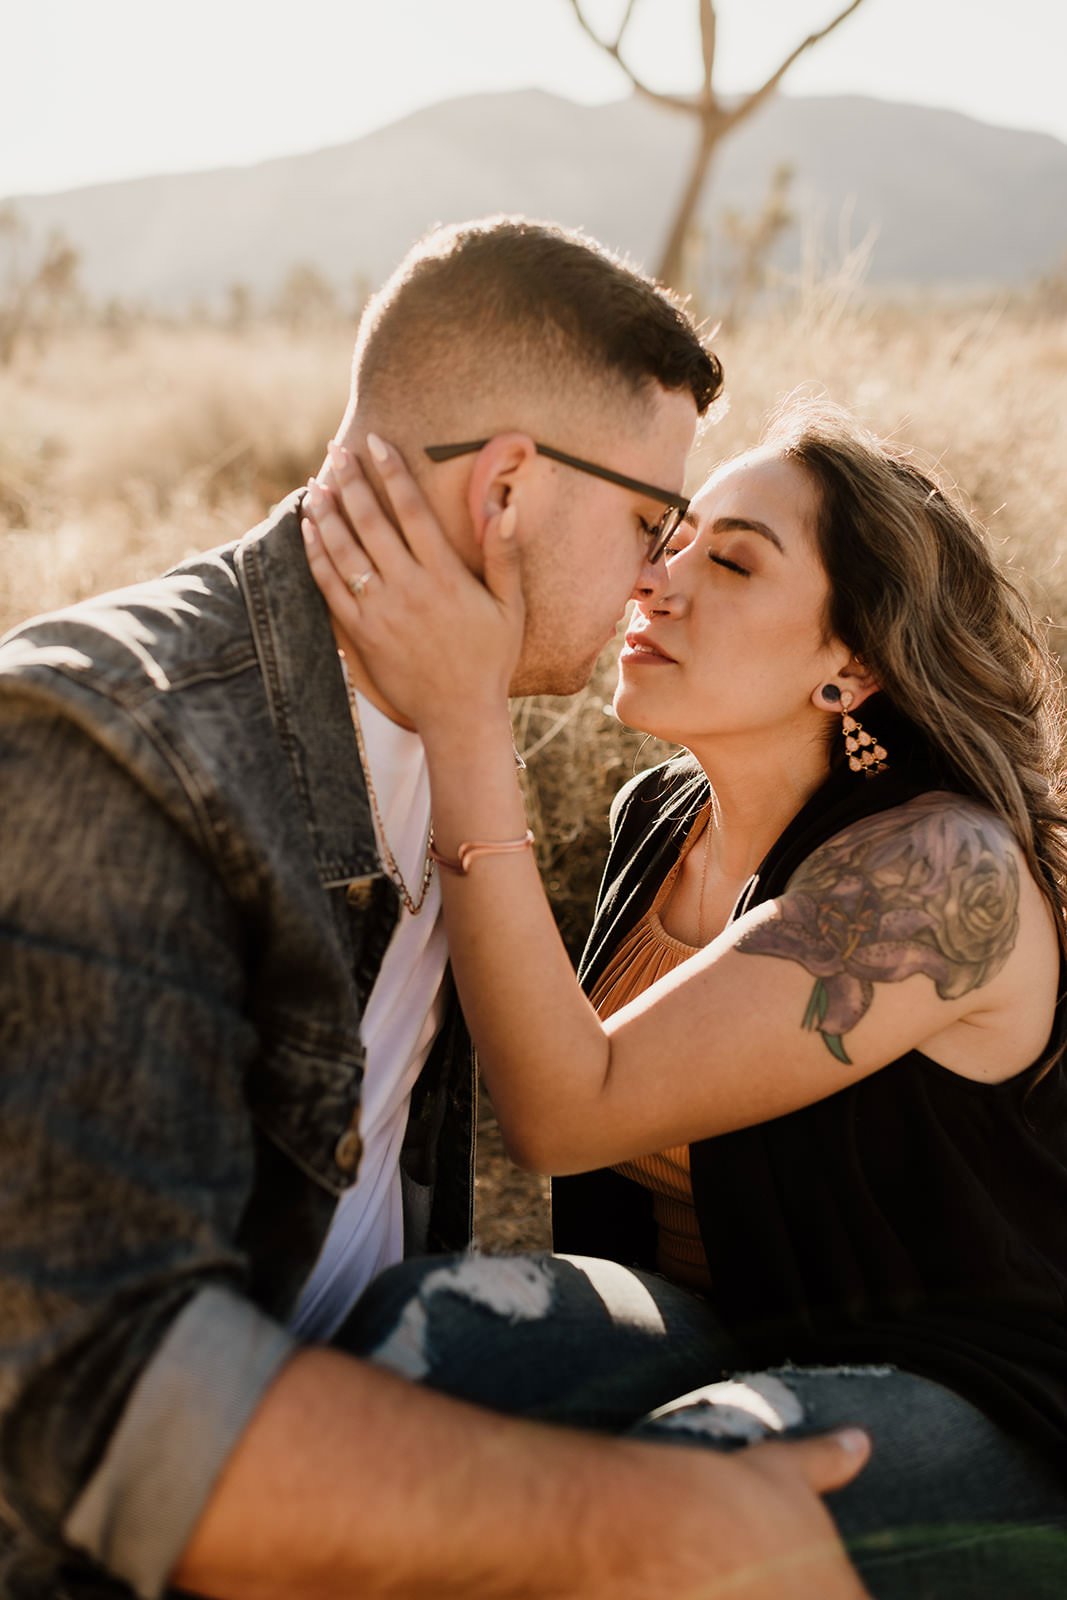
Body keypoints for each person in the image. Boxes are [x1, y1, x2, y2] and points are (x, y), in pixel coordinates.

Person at [0, 217, 873, 1600]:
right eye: (651, 525)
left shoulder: (445, 716)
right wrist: (641, 1524)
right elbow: (101, 1402)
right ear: (508, 491)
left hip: (377, 1420)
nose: (658, 578)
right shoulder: (103, 746)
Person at [301, 398, 1067, 1596]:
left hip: (971, 1392)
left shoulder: (938, 870)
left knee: (683, 1497)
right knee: (417, 1338)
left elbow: (567, 1105)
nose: (654, 584)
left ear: (849, 663)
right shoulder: (658, 816)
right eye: (668, 540)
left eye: (732, 561)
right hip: (722, 1333)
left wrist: (466, 717)